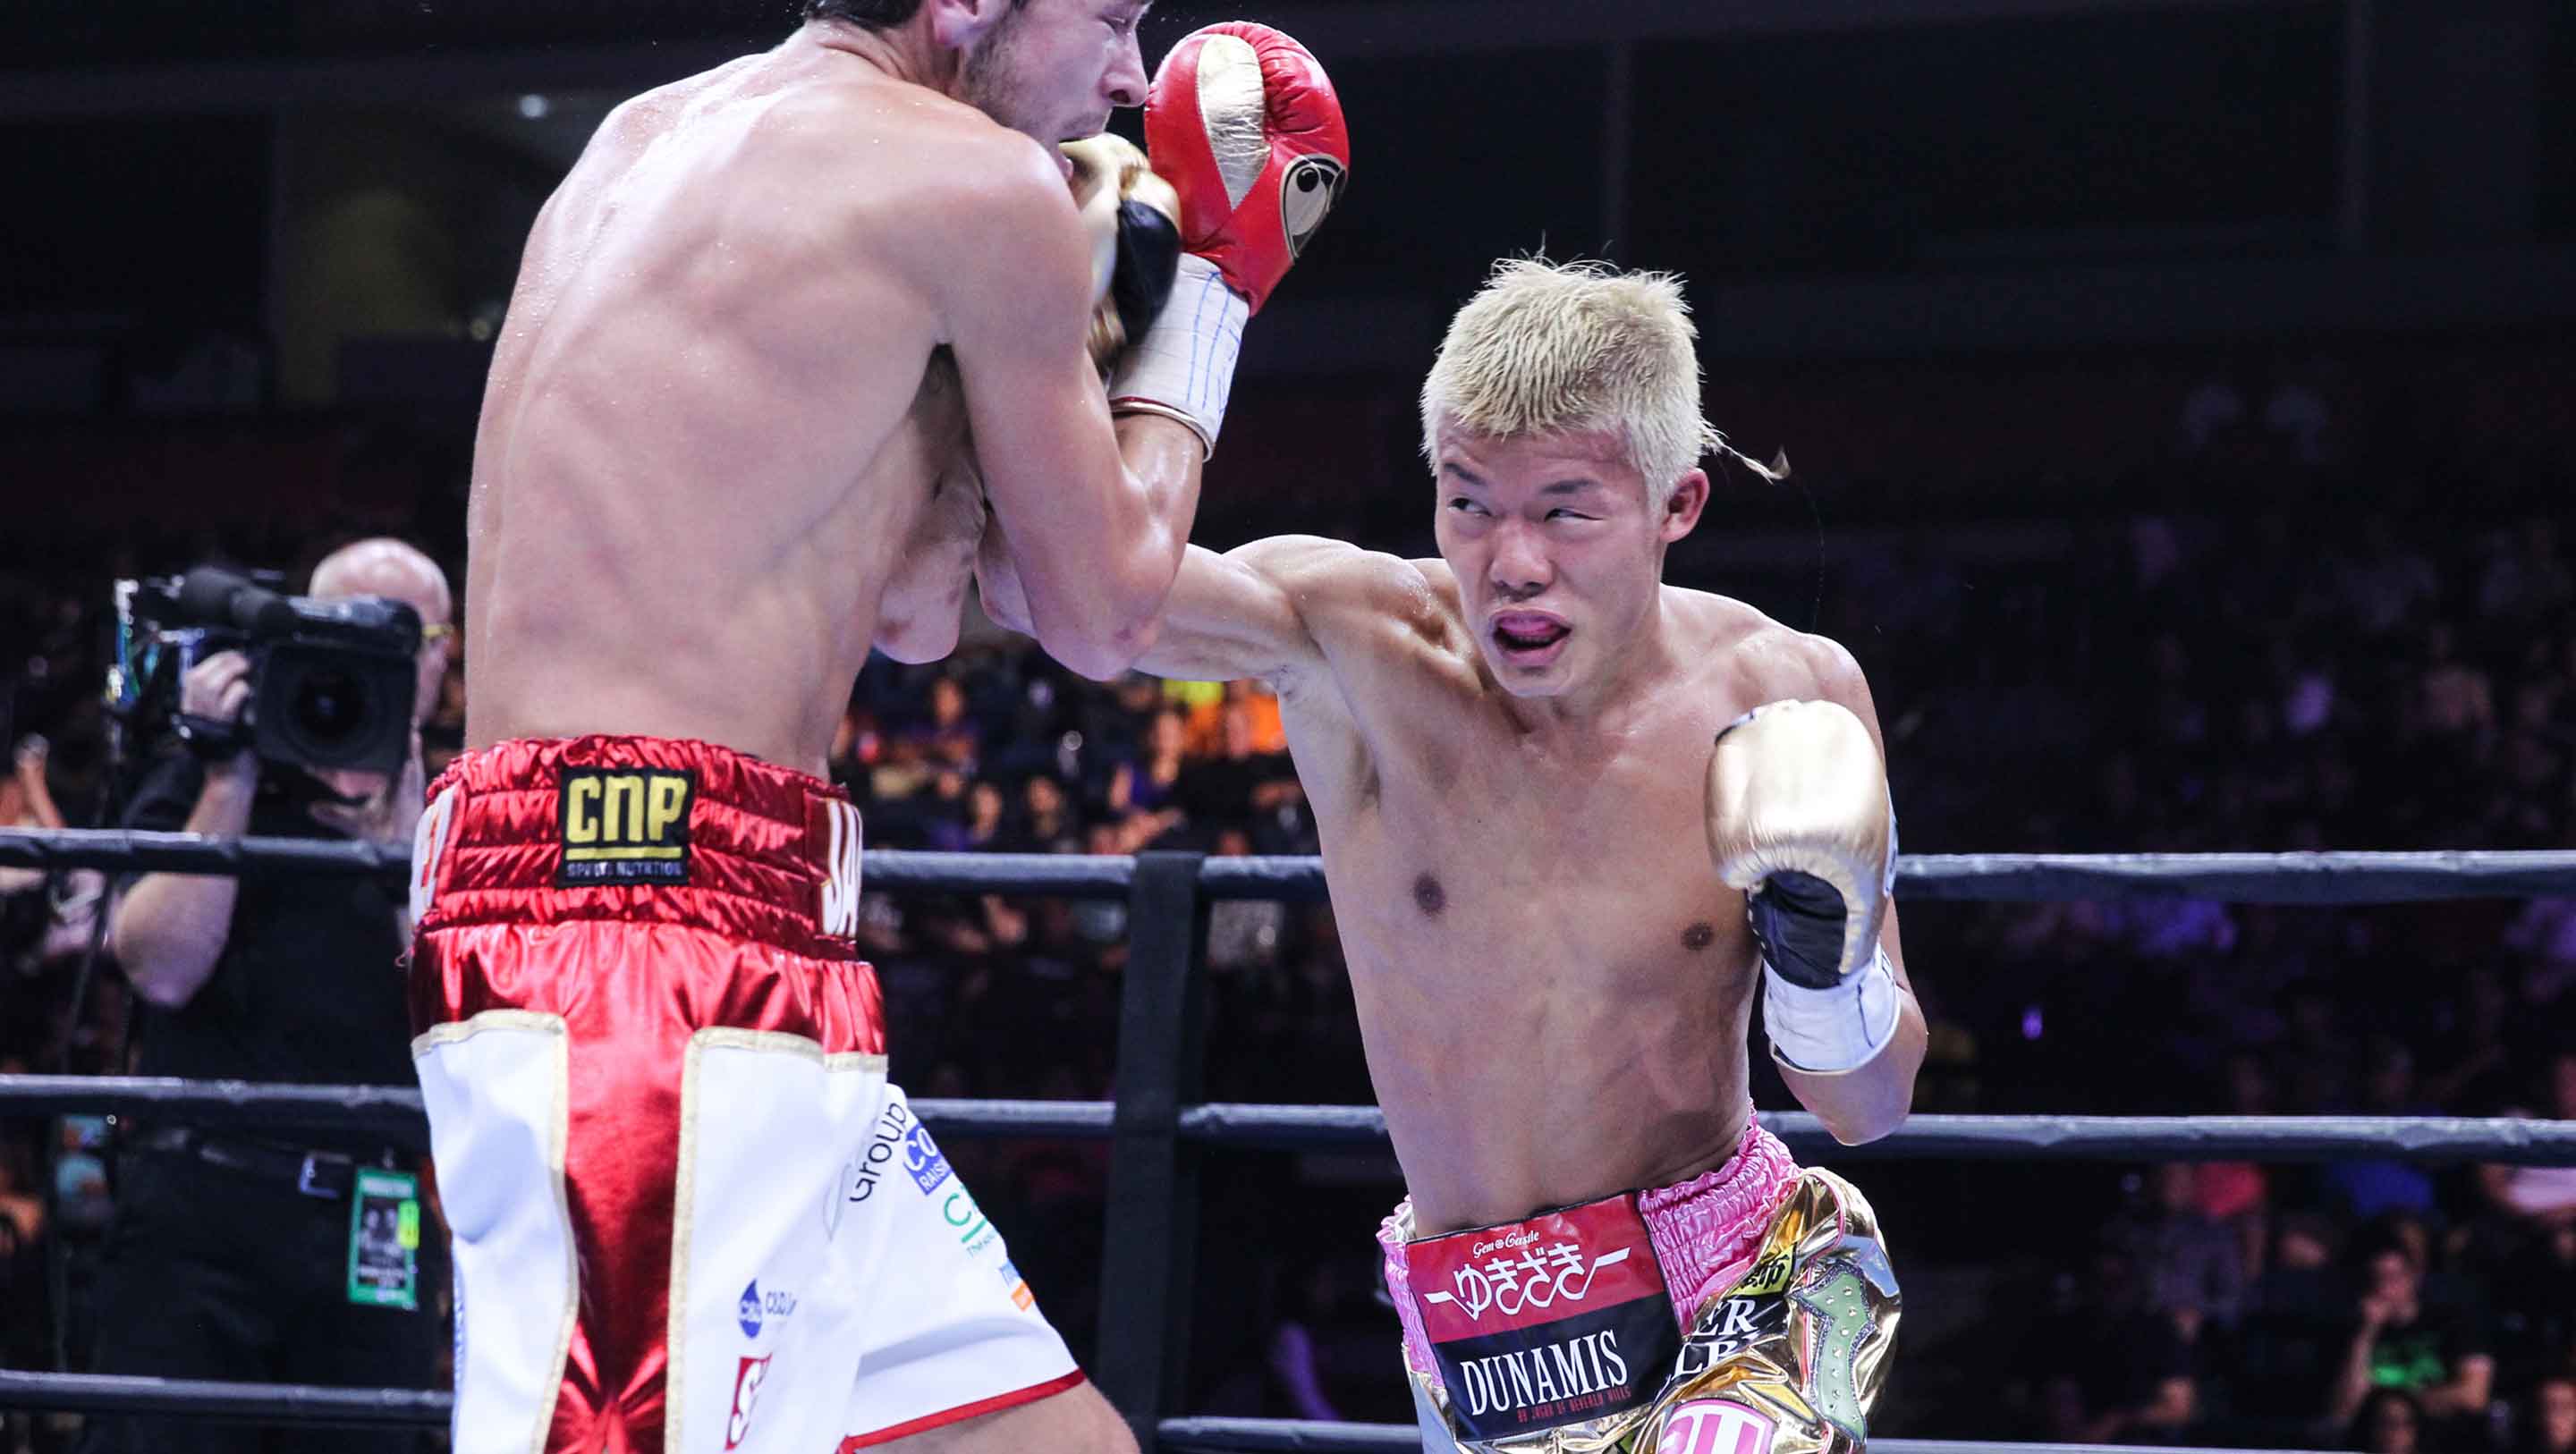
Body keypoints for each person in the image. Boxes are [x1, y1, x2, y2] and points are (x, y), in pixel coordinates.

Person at [407, 2, 1348, 1450]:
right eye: (1107, 19)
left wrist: (1014, 381)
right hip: (656, 954)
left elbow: (916, 607)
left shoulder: (637, 140)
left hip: (673, 917)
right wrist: (1207, 296)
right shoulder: (977, 188)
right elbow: (1097, 614)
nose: (1130, 78)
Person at [981, 257, 1922, 1451]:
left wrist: (1825, 963)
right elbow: (1044, 587)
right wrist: (1174, 310)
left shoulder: (1790, 689)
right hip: (1480, 1335)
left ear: (1677, 506)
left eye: (1565, 509)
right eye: (1470, 502)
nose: (1511, 560)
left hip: (1744, 1289)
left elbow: (1871, 1105)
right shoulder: (1355, 647)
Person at [82, 538, 453, 1454]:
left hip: (379, 1216)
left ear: (445, 655)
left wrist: (406, 855)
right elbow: (160, 966)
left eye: (401, 631)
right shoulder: (208, 768)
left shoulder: (467, 805)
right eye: (340, 627)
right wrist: (229, 775)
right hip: (203, 1203)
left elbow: (468, 1032)